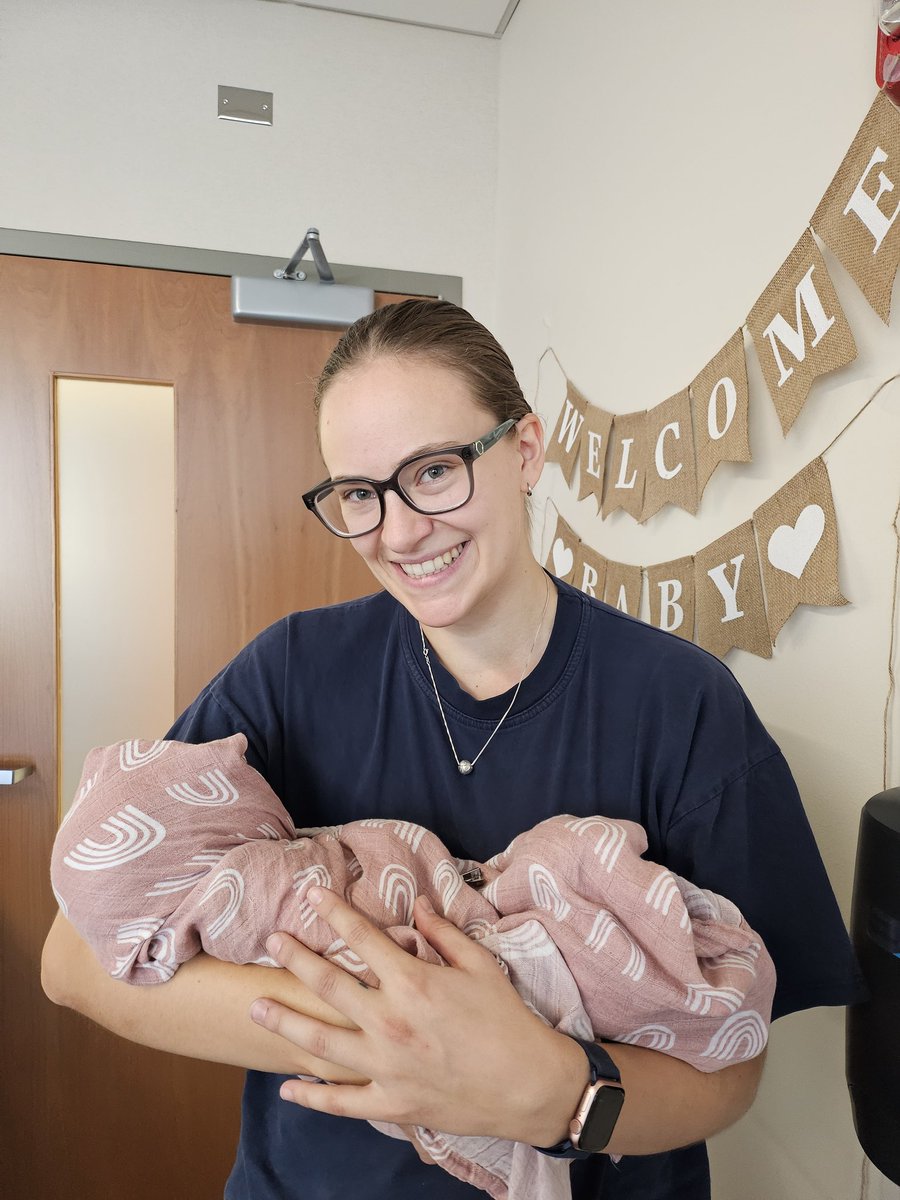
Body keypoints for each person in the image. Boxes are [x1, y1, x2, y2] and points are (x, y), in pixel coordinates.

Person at [42, 299, 865, 1200]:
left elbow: (732, 1070)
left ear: (524, 452)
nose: (398, 533)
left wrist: (551, 1091)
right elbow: (77, 959)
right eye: (358, 494)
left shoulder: (682, 705)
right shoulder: (290, 672)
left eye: (433, 471)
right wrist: (407, 1037)